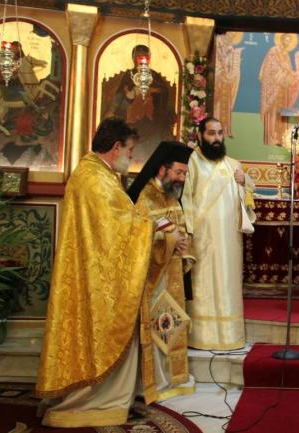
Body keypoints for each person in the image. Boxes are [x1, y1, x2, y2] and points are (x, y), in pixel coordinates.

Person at [36, 118, 153, 427]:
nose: (131, 156)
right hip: (97, 277)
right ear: (116, 147)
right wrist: (152, 225)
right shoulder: (96, 180)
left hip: (91, 269)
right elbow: (118, 229)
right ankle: (97, 402)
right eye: (130, 150)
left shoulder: (94, 172)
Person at [127, 141, 196, 403]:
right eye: (178, 172)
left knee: (172, 322)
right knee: (156, 324)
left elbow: (181, 228)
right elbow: (136, 236)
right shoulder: (143, 197)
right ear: (162, 169)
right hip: (152, 278)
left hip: (173, 275)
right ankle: (154, 379)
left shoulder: (171, 196)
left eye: (184, 174)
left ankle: (172, 376)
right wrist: (170, 241)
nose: (181, 178)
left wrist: (184, 246)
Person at [182, 117, 256, 349]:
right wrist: (188, 231)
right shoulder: (191, 161)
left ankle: (230, 336)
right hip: (202, 238)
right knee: (203, 286)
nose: (216, 138)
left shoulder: (233, 164)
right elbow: (185, 198)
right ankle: (202, 337)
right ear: (200, 135)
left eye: (220, 133)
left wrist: (244, 182)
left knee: (227, 285)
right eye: (211, 133)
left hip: (229, 241)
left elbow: (247, 200)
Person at [258, 33, 299, 146]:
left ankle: (279, 138)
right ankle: (271, 138)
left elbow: (289, 70)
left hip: (282, 91)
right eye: (285, 40)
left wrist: (293, 75)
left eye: (289, 41)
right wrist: (284, 75)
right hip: (273, 89)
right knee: (272, 113)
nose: (287, 42)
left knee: (280, 114)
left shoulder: (286, 55)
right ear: (281, 40)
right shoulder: (273, 52)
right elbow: (270, 70)